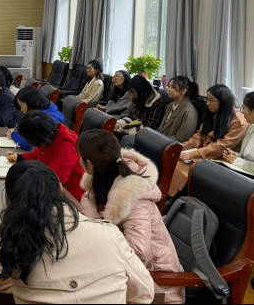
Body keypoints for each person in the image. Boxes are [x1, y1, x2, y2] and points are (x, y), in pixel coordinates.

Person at [0, 160, 154, 304]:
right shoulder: (109, 234)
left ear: (10, 201)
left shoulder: (15, 244)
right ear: (60, 188)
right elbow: (144, 292)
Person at [77, 129, 184, 303]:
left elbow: (138, 252)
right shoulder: (103, 184)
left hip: (156, 287)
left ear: (89, 164)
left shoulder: (132, 197)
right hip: (129, 275)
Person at [170, 84, 247, 196]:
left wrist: (193, 153)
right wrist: (186, 145)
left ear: (223, 102)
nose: (207, 103)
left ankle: (175, 197)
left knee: (183, 168)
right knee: (174, 160)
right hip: (205, 153)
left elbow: (221, 146)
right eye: (207, 99)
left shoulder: (238, 122)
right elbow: (200, 135)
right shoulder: (212, 113)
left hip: (220, 159)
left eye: (211, 100)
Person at [7, 109, 84, 200]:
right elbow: (38, 153)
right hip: (51, 188)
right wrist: (19, 157)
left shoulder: (66, 143)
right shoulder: (49, 134)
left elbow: (55, 178)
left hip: (70, 194)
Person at [7, 86, 64, 151]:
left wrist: (13, 135)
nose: (21, 110)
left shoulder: (45, 119)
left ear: (30, 102)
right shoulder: (48, 106)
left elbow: (32, 146)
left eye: (21, 105)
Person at [156, 76, 199, 143]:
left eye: (173, 87)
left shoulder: (189, 111)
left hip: (171, 145)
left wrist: (159, 140)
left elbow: (182, 138)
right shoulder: (170, 105)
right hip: (161, 141)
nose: (169, 89)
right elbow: (161, 129)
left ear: (183, 91)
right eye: (168, 86)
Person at [223, 91, 254, 170]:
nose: (241, 112)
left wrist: (236, 160)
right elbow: (244, 156)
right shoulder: (251, 128)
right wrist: (233, 155)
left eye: (244, 108)